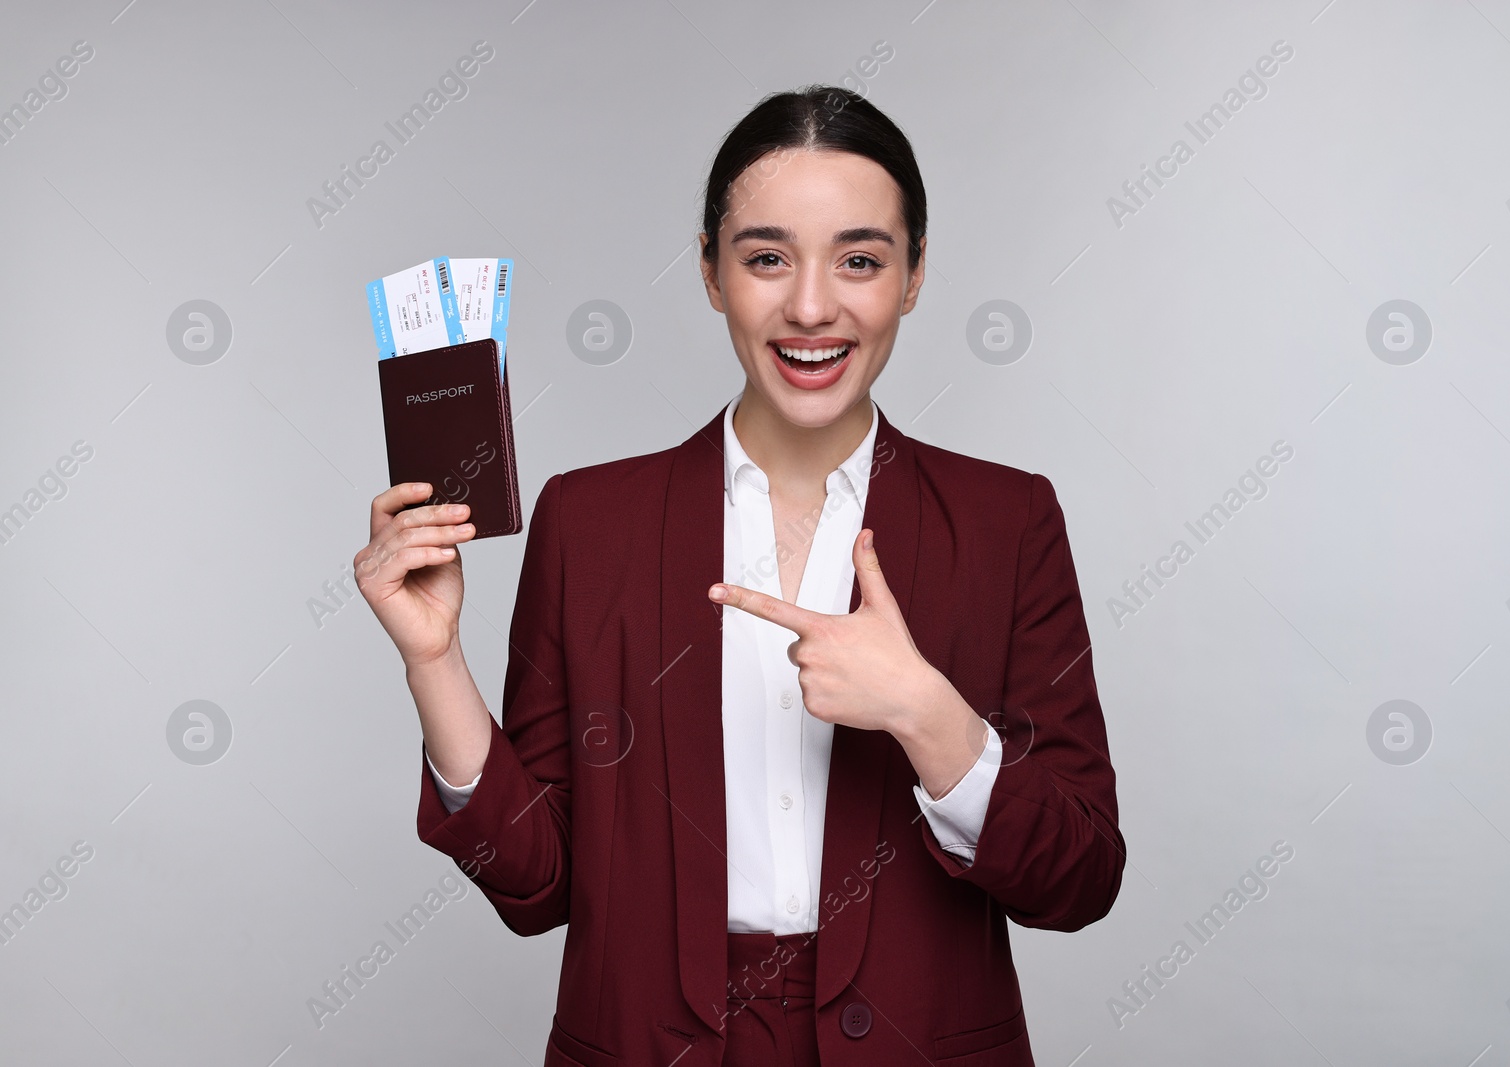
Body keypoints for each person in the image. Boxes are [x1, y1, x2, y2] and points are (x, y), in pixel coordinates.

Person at [356, 84, 1125, 1067]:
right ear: (713, 273)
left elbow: (1082, 876)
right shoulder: (590, 520)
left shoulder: (1005, 520)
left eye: (859, 259)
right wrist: (434, 660)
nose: (810, 305)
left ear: (915, 274)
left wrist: (930, 716)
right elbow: (537, 882)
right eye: (766, 257)